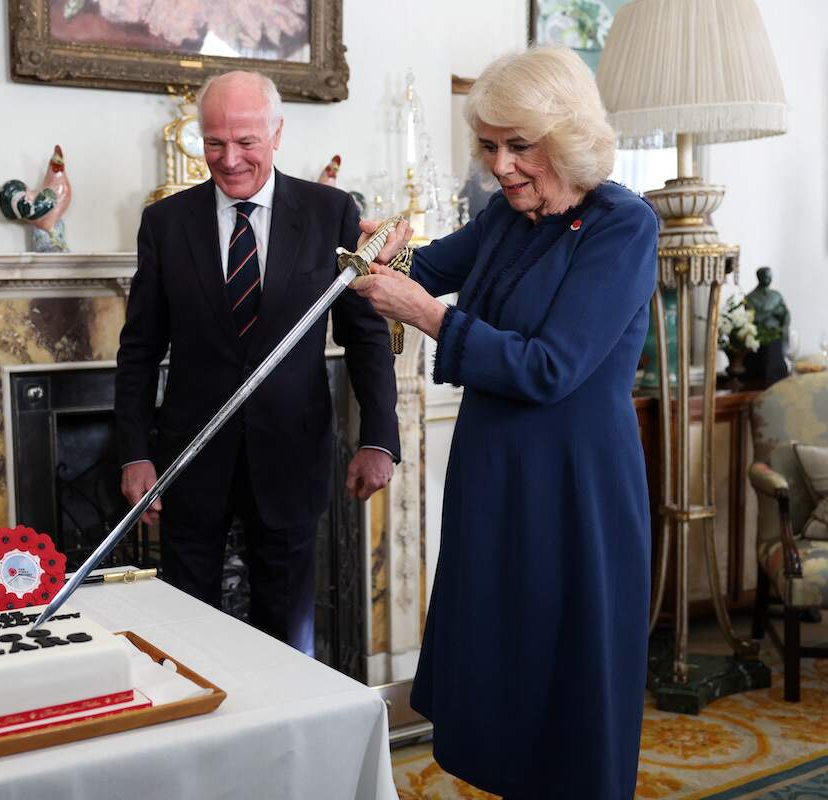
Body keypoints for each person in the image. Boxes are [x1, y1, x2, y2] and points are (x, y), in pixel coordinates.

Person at [352, 47, 657, 798]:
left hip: (574, 485)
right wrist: (379, 252)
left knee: (565, 682)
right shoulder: (506, 217)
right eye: (490, 146)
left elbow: (551, 366)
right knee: (505, 669)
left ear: (568, 135)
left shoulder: (624, 225)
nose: (502, 164)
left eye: (520, 145)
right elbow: (426, 265)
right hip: (496, 474)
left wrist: (425, 317)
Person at [115, 71, 400, 656]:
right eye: (214, 142)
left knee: (287, 631)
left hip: (292, 455)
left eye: (245, 141)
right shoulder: (165, 224)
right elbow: (140, 347)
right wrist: (135, 451)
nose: (229, 158)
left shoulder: (331, 212)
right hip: (190, 458)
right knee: (186, 631)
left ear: (277, 133)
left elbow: (366, 335)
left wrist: (380, 437)